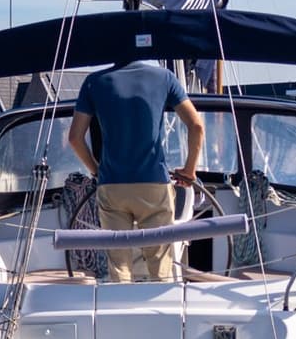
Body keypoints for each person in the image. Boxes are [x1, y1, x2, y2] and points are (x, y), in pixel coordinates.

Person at [67, 58, 205, 282]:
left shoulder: (94, 82)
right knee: (160, 266)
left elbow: (75, 138)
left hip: (112, 185)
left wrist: (96, 170)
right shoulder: (165, 78)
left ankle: (122, 311)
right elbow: (196, 126)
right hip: (153, 184)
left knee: (119, 266)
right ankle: (161, 310)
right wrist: (189, 170)